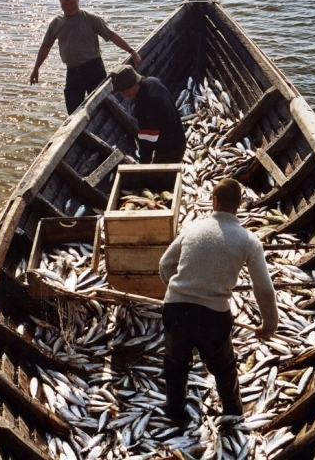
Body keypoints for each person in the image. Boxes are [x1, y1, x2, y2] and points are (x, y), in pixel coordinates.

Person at [159, 178, 278, 426]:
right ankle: (233, 412)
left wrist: (179, 291)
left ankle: (175, 413)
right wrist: (269, 325)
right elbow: (264, 289)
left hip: (175, 310)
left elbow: (164, 265)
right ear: (240, 204)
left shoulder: (192, 229)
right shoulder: (249, 241)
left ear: (214, 201)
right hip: (213, 317)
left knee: (175, 364)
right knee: (223, 368)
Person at [30, 0, 142, 114]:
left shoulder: (90, 19)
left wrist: (131, 51)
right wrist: (36, 69)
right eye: (65, 4)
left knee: (102, 107)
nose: (69, 7)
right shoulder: (56, 23)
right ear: (60, 3)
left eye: (72, 3)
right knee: (73, 111)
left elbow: (112, 36)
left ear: (78, 1)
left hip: (93, 69)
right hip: (72, 72)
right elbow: (45, 47)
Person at [110, 64, 186, 164]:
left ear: (133, 85)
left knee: (160, 179)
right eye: (121, 92)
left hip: (171, 149)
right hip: (178, 136)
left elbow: (147, 143)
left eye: (125, 91)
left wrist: (143, 165)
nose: (123, 96)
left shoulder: (146, 105)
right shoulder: (152, 81)